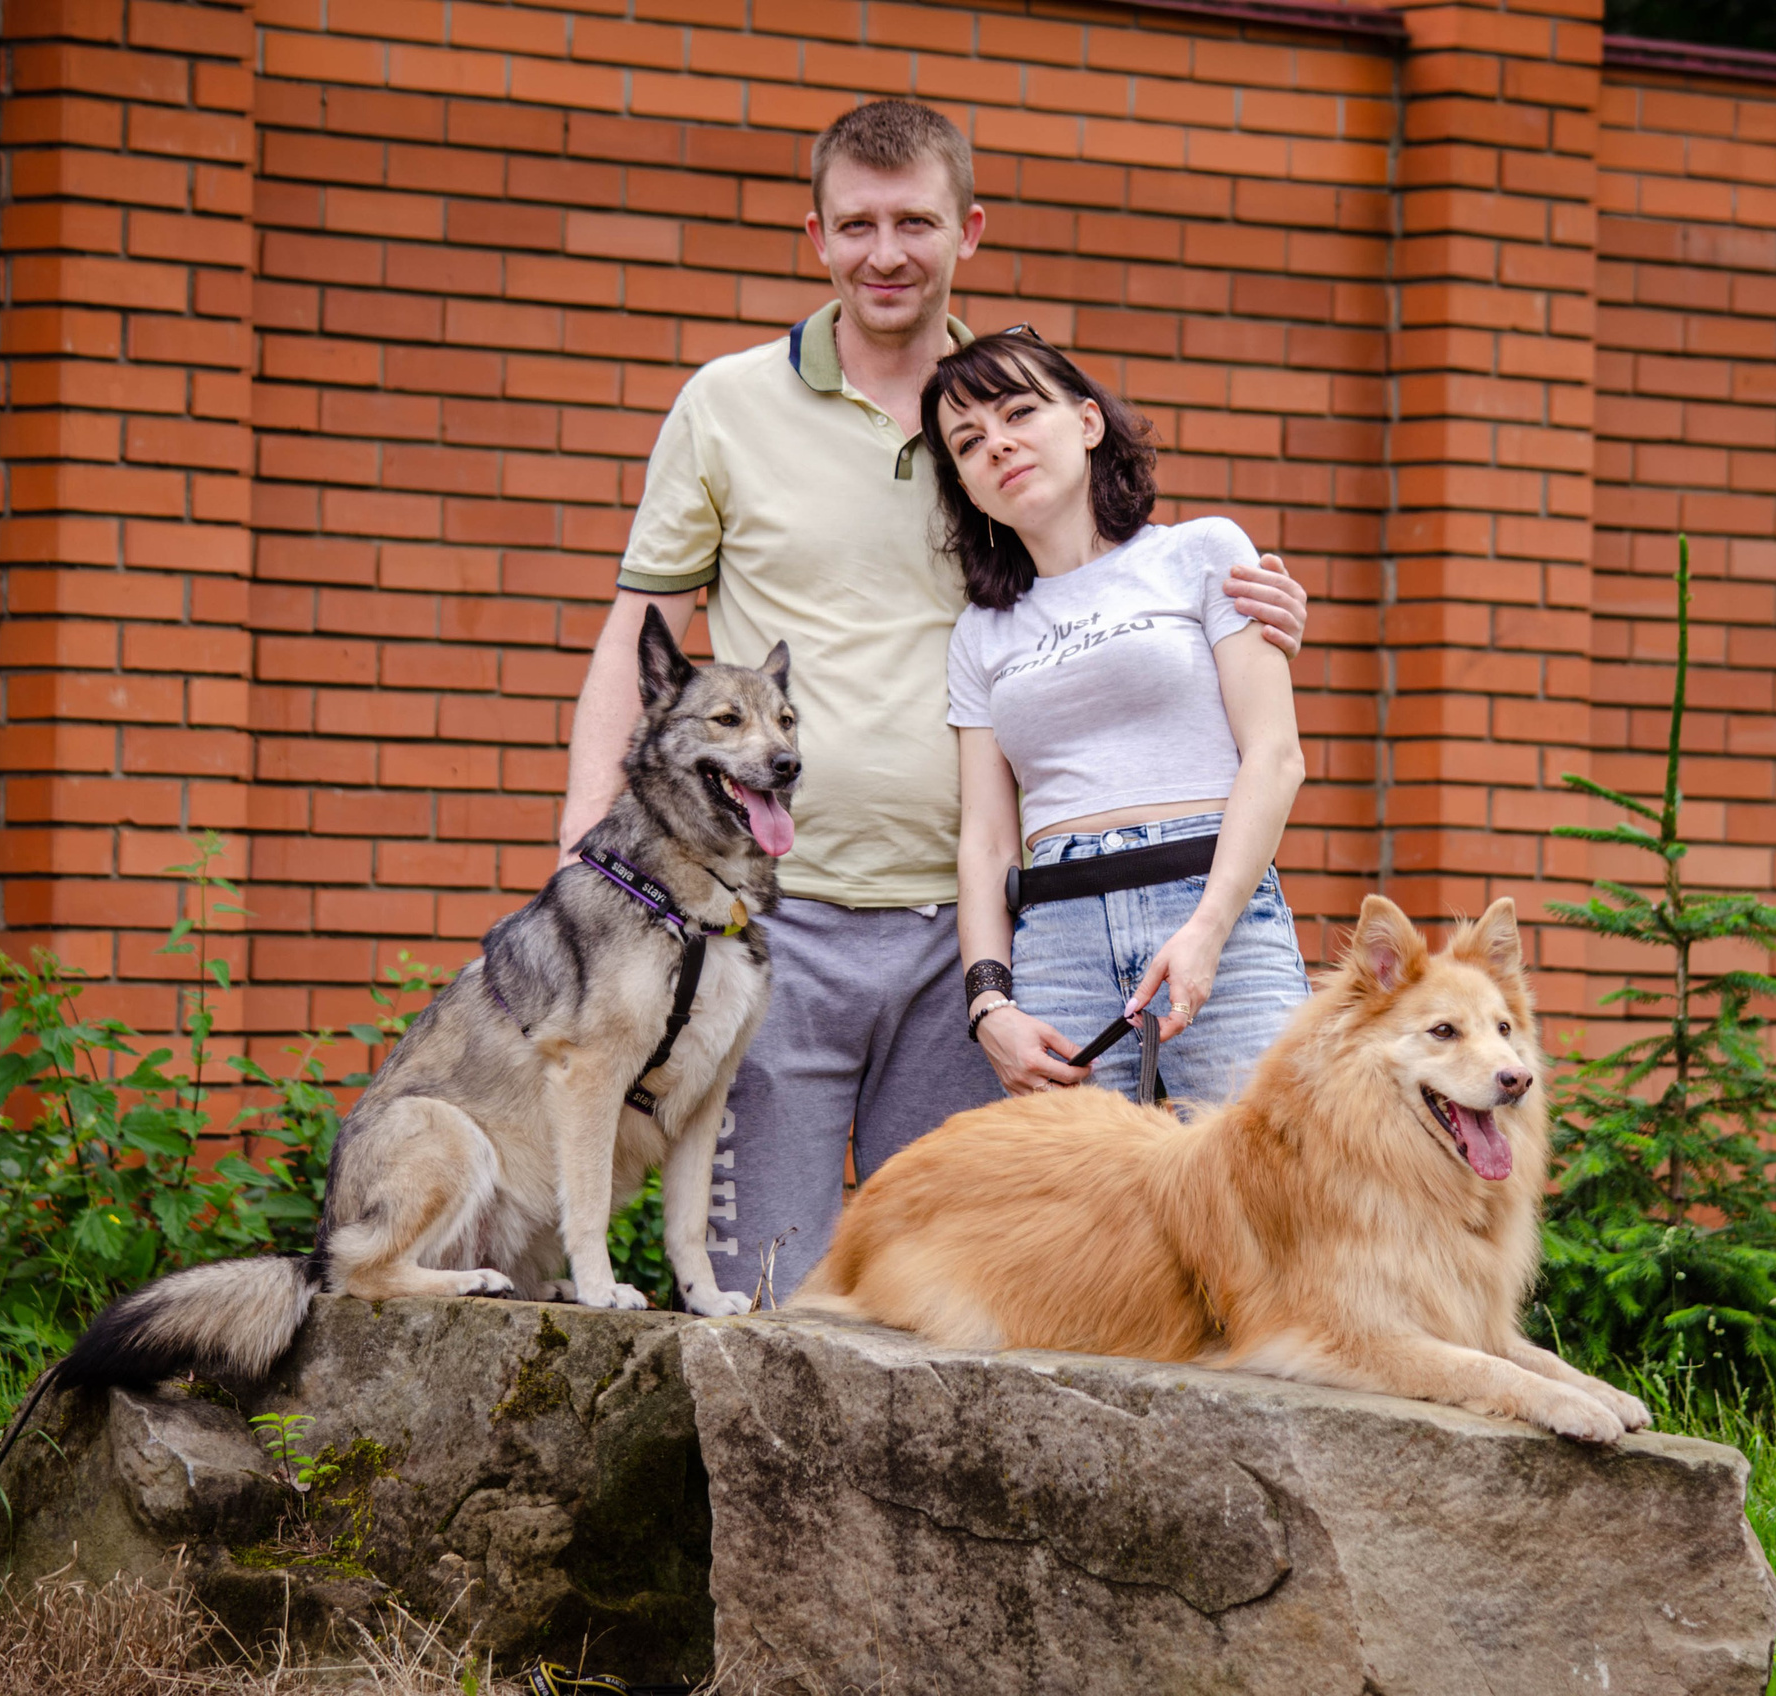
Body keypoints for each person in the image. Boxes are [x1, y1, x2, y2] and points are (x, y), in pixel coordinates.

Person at [556, 101, 1311, 1298]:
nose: (886, 252)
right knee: (772, 1284)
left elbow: (1115, 592)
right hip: (779, 920)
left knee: (964, 1289)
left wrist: (1257, 615)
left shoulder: (1003, 419)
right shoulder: (725, 405)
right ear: (815, 235)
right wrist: (589, 859)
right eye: (856, 224)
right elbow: (632, 637)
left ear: (969, 226)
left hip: (990, 936)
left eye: (915, 221)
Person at [933, 332, 1312, 1104]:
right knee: (1083, 1216)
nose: (998, 444)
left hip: (1216, 908)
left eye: (1019, 413)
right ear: (969, 488)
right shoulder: (980, 631)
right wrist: (988, 1004)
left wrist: (1207, 928)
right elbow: (987, 837)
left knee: (1272, 1201)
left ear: (1087, 423)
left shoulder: (1202, 551)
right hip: (1058, 940)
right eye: (969, 442)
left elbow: (1274, 757)